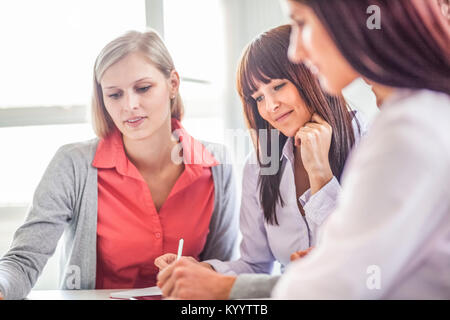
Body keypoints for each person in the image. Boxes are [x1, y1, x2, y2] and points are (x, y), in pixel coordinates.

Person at [0, 29, 239, 300]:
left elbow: (223, 270)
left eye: (143, 88)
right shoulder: (73, 165)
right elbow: (23, 260)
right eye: (115, 95)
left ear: (173, 83)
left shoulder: (217, 166)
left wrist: (204, 272)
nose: (130, 105)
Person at [155, 24, 367, 299]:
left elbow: (361, 255)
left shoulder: (366, 140)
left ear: (310, 73)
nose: (270, 107)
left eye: (278, 86)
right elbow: (255, 265)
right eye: (258, 98)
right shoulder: (260, 165)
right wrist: (203, 271)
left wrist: (320, 173)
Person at [269, 0, 449, 299]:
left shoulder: (408, 129)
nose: (295, 52)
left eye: (301, 23)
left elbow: (332, 290)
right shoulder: (420, 112)